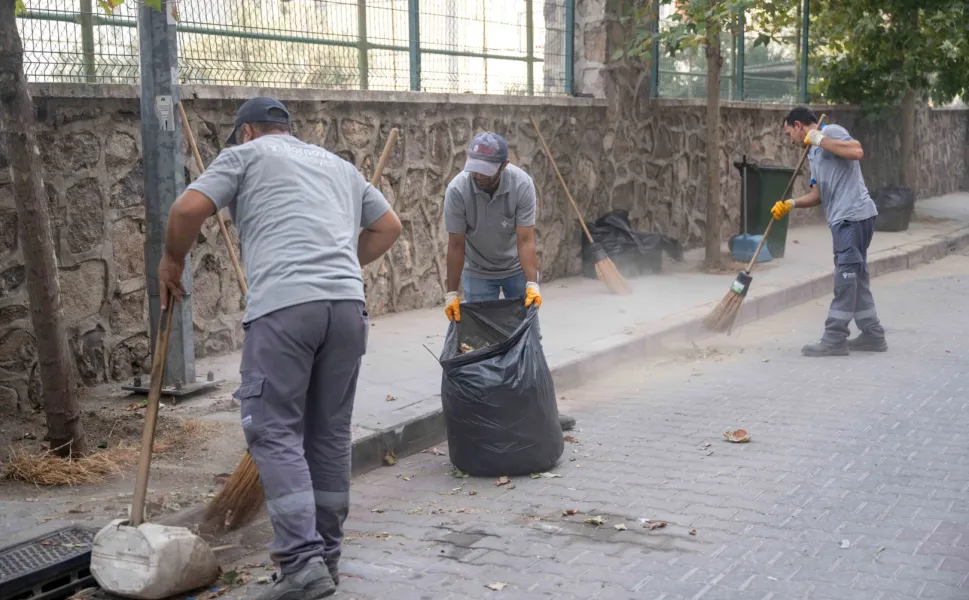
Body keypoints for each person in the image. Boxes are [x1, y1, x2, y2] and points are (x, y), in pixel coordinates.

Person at [157, 96, 401, 600]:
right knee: (328, 437)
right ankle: (325, 559)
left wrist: (171, 262)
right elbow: (388, 227)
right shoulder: (337, 165)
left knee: (272, 431)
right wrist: (338, 260)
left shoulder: (245, 155)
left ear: (246, 131)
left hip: (286, 310)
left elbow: (186, 209)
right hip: (346, 309)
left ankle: (299, 563)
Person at [443, 131, 575, 431]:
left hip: (516, 268)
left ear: (504, 165)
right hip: (478, 271)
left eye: (486, 170)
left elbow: (526, 240)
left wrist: (532, 284)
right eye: (474, 168)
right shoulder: (458, 190)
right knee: (480, 345)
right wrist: (451, 293)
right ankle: (490, 416)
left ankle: (544, 412)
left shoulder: (521, 184)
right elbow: (455, 244)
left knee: (530, 339)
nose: (479, 175)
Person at [772, 107, 888, 357]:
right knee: (856, 277)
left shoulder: (831, 132)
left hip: (851, 217)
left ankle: (834, 337)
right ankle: (872, 334)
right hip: (848, 219)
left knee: (845, 277)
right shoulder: (813, 154)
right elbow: (818, 195)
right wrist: (791, 204)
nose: (790, 140)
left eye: (789, 133)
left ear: (798, 126)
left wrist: (819, 139)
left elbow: (856, 151)